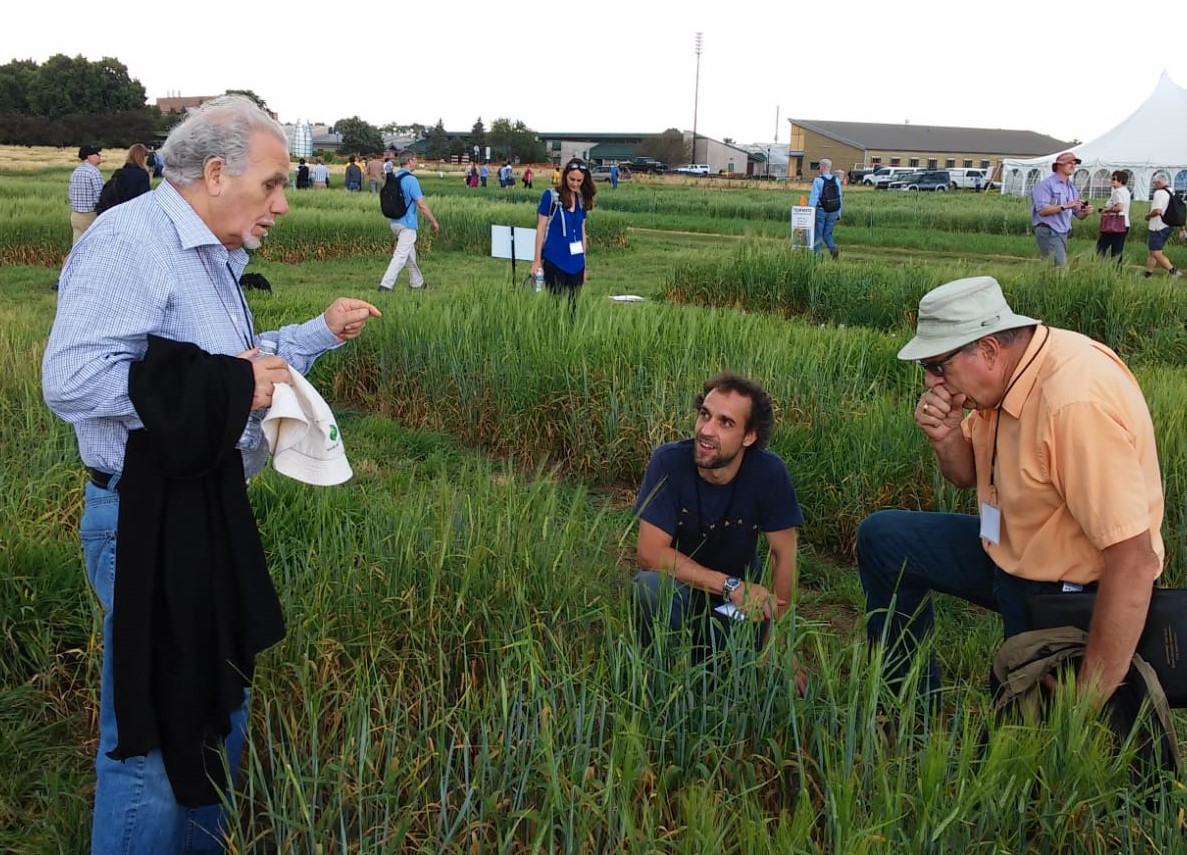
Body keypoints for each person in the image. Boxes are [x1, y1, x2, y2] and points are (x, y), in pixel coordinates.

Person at [42, 94, 381, 853]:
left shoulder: (208, 255)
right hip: (146, 521)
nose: (283, 204)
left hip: (200, 512)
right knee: (160, 739)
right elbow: (71, 379)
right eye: (272, 184)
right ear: (218, 172)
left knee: (212, 722)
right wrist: (229, 382)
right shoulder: (131, 242)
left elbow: (229, 362)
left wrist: (314, 335)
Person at [856, 276, 1163, 702]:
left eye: (937, 366)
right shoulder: (1008, 375)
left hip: (1065, 587)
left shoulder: (1073, 404)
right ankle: (907, 708)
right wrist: (946, 436)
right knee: (883, 539)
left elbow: (1133, 559)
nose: (930, 382)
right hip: (1007, 547)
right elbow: (967, 475)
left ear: (987, 349)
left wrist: (1089, 694)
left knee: (1020, 733)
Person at [631, 372, 804, 669]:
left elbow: (783, 554)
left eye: (725, 423)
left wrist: (778, 639)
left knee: (733, 679)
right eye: (705, 415)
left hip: (740, 604)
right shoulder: (668, 461)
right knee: (649, 588)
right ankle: (657, 674)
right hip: (680, 589)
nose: (706, 430)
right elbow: (649, 554)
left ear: (749, 436)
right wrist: (729, 585)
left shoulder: (769, 474)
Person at [531, 158, 596, 311]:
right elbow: (540, 228)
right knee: (555, 305)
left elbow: (582, 232)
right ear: (565, 176)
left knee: (572, 307)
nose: (575, 184)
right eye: (571, 179)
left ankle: (569, 334)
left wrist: (584, 266)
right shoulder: (550, 196)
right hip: (555, 260)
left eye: (579, 180)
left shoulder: (581, 201)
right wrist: (536, 261)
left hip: (577, 263)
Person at [377, 150, 439, 292]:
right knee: (400, 255)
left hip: (394, 221)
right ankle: (386, 285)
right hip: (407, 223)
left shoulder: (395, 177)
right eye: (415, 159)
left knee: (410, 255)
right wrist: (434, 222)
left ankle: (417, 283)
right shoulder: (411, 179)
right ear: (410, 161)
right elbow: (421, 205)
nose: (416, 162)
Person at [1030, 151, 1094, 267]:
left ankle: (1044, 283)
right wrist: (1065, 206)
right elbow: (1043, 211)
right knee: (1059, 265)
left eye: (1075, 163)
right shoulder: (1045, 185)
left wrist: (1086, 212)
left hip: (1062, 232)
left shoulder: (1071, 188)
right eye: (1069, 163)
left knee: (1053, 266)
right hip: (1048, 230)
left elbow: (1078, 214)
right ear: (1059, 165)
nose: (1073, 166)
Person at [96, 143, 152, 214]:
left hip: (118, 212)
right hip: (134, 212)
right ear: (143, 157)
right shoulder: (142, 175)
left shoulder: (119, 173)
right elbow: (144, 197)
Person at [1144, 175, 1182, 279]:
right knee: (1152, 251)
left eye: (1154, 183)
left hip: (1157, 226)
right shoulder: (1171, 191)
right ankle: (1148, 274)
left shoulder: (1159, 193)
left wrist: (1147, 216)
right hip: (1168, 225)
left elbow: (1157, 211)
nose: (1153, 185)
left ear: (1159, 183)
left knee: (1156, 252)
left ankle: (1173, 271)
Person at [69, 144, 104, 245]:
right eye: (96, 154)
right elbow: (101, 196)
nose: (99, 155)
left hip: (75, 215)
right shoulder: (94, 172)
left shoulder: (76, 171)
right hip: (90, 216)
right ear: (89, 157)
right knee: (92, 247)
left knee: (77, 247)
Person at [1095, 170, 1131, 264]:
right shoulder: (1126, 191)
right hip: (1124, 223)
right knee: (1117, 250)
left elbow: (1119, 207)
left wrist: (1106, 210)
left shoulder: (1117, 192)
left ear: (1120, 181)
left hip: (1114, 224)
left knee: (1101, 247)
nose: (1112, 181)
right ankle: (1117, 271)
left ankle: (1101, 265)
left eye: (1114, 179)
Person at [808, 159, 842, 259]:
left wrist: (810, 212)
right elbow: (839, 197)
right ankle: (833, 249)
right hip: (833, 211)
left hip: (821, 211)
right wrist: (839, 213)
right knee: (827, 234)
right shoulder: (836, 180)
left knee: (818, 234)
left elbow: (813, 199)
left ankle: (817, 257)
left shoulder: (818, 180)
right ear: (829, 168)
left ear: (821, 168)